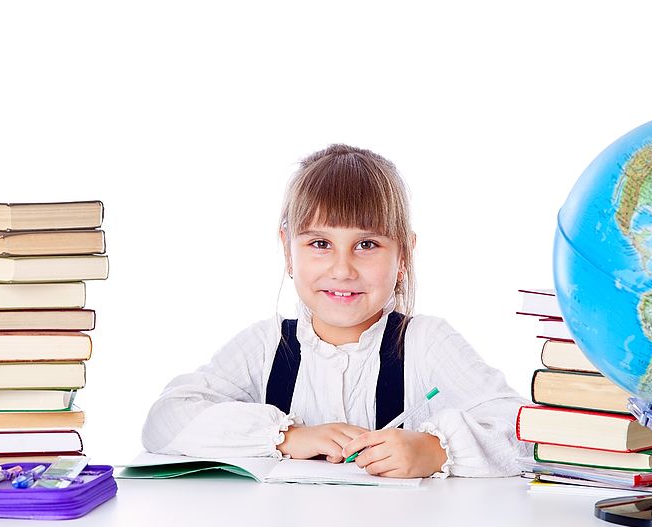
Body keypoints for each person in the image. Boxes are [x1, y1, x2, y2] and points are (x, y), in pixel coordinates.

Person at [142, 144, 531, 478]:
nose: (342, 270)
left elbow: (525, 430)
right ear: (287, 249)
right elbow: (166, 419)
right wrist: (286, 436)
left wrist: (436, 450)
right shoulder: (267, 346)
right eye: (319, 243)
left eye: (366, 245)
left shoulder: (426, 342)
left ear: (404, 254)